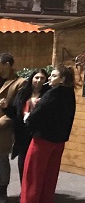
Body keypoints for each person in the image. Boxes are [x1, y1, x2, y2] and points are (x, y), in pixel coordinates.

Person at [19, 65, 75, 203]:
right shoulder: (70, 93)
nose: (50, 78)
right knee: (49, 178)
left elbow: (35, 116)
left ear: (62, 79)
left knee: (32, 178)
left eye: (54, 75)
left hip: (42, 141)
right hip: (59, 141)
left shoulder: (52, 93)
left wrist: (28, 118)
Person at [2, 69, 48, 182]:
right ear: (32, 78)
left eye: (42, 78)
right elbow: (15, 113)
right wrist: (5, 107)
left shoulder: (48, 94)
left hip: (38, 135)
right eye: (36, 77)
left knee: (36, 165)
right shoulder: (23, 93)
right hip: (22, 134)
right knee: (23, 164)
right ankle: (25, 192)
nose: (39, 80)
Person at [0, 53, 26, 202]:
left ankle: (2, 191)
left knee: (2, 160)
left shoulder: (19, 83)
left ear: (7, 64)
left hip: (3, 129)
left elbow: (16, 109)